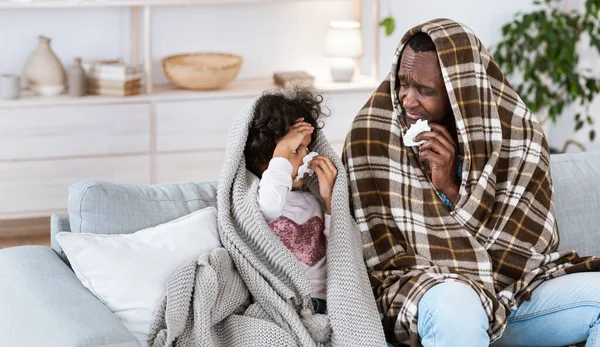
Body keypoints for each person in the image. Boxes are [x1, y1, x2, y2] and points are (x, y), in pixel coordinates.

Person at [342, 18, 600, 347]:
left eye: (424, 90)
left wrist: (450, 187)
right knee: (459, 306)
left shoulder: (517, 136)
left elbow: (524, 246)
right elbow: (378, 255)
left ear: (460, 92)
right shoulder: (373, 134)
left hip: (514, 288)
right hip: (427, 287)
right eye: (402, 84)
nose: (407, 99)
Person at [244, 87, 338, 314]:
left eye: (308, 148)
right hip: (284, 302)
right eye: (296, 149)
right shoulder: (263, 198)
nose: (307, 157)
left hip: (325, 302)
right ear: (268, 158)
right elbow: (270, 205)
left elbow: (340, 243)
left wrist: (329, 199)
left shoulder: (312, 200)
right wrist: (283, 150)